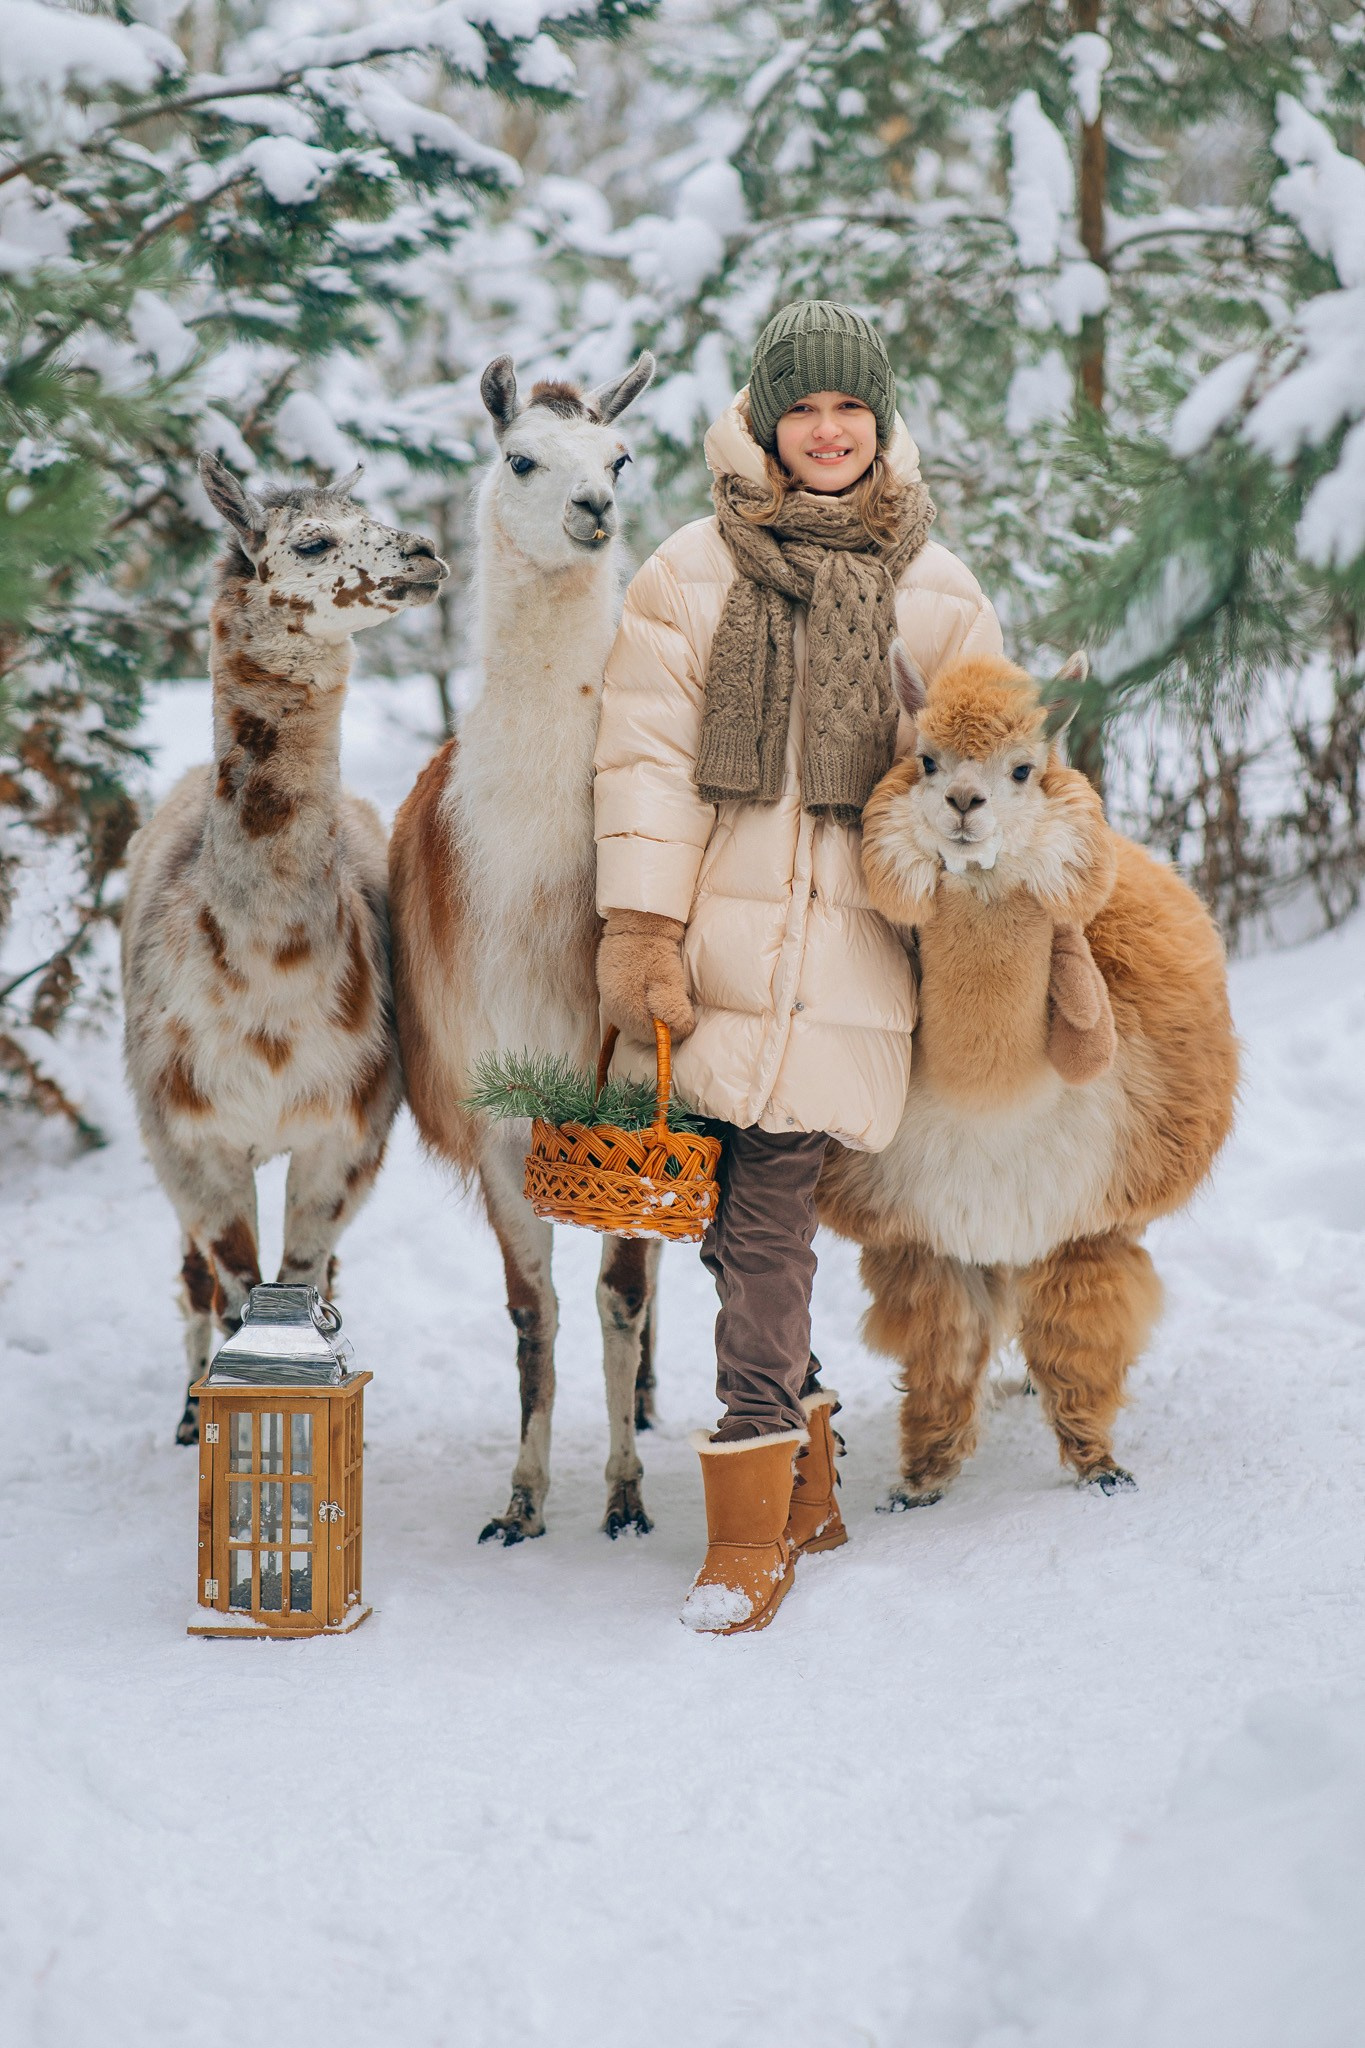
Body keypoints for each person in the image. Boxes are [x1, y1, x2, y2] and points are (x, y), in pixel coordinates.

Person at [592, 301, 1111, 1634]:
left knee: (766, 1219)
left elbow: (996, 766)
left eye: (850, 410)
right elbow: (643, 767)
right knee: (725, 1226)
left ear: (880, 424)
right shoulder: (685, 574)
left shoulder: (938, 589)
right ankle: (807, 1467)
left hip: (855, 953)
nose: (827, 432)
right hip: (711, 951)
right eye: (803, 409)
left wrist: (1040, 925)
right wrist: (639, 930)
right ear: (765, 421)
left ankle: (749, 1523)